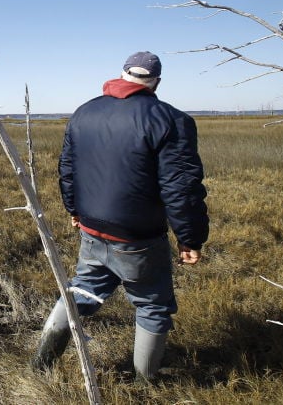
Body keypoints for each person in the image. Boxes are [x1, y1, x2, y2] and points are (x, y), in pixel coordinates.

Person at [32, 51, 209, 381]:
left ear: (124, 73)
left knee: (82, 291)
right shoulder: (170, 119)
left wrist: (74, 210)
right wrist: (190, 238)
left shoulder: (85, 112)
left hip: (91, 227)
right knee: (153, 304)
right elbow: (181, 187)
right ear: (155, 80)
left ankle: (41, 363)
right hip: (137, 236)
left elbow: (68, 169)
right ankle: (146, 382)